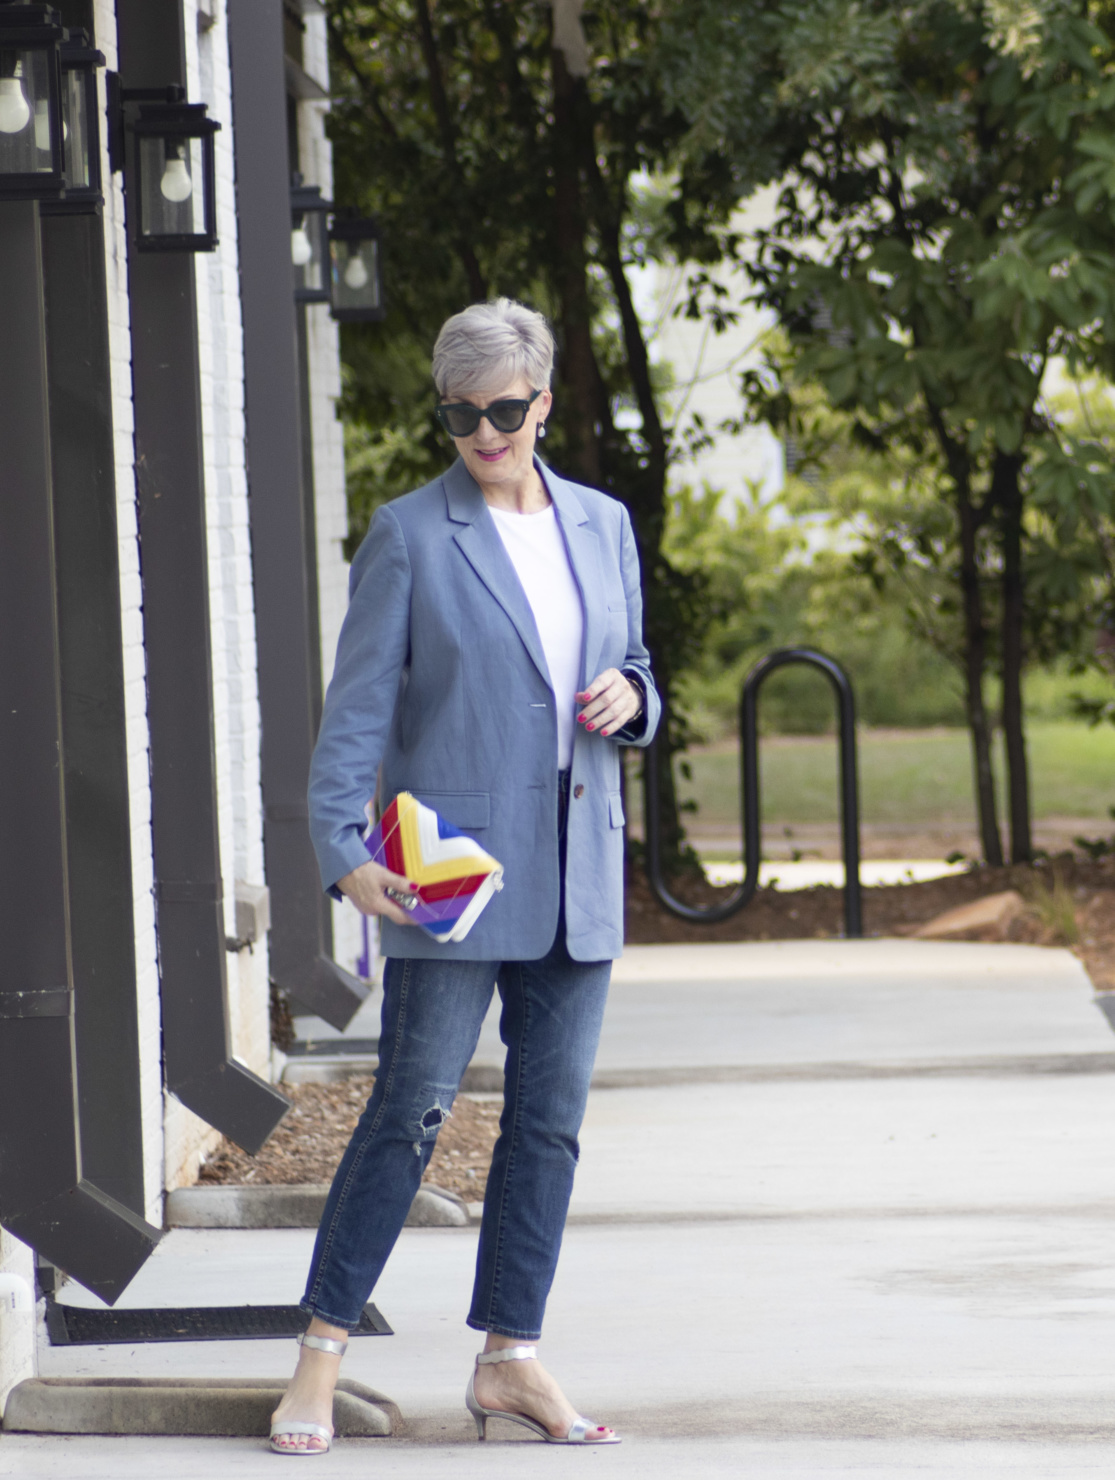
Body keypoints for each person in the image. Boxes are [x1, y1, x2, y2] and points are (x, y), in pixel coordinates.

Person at [270, 298, 660, 1454]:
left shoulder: (599, 524)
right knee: (409, 1112)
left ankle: (510, 1358)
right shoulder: (407, 533)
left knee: (547, 1126)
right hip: (449, 879)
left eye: (503, 410)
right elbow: (357, 714)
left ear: (542, 404)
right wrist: (343, 852)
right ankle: (317, 1356)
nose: (483, 433)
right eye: (460, 413)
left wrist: (632, 698)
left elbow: (632, 664)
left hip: (576, 871)